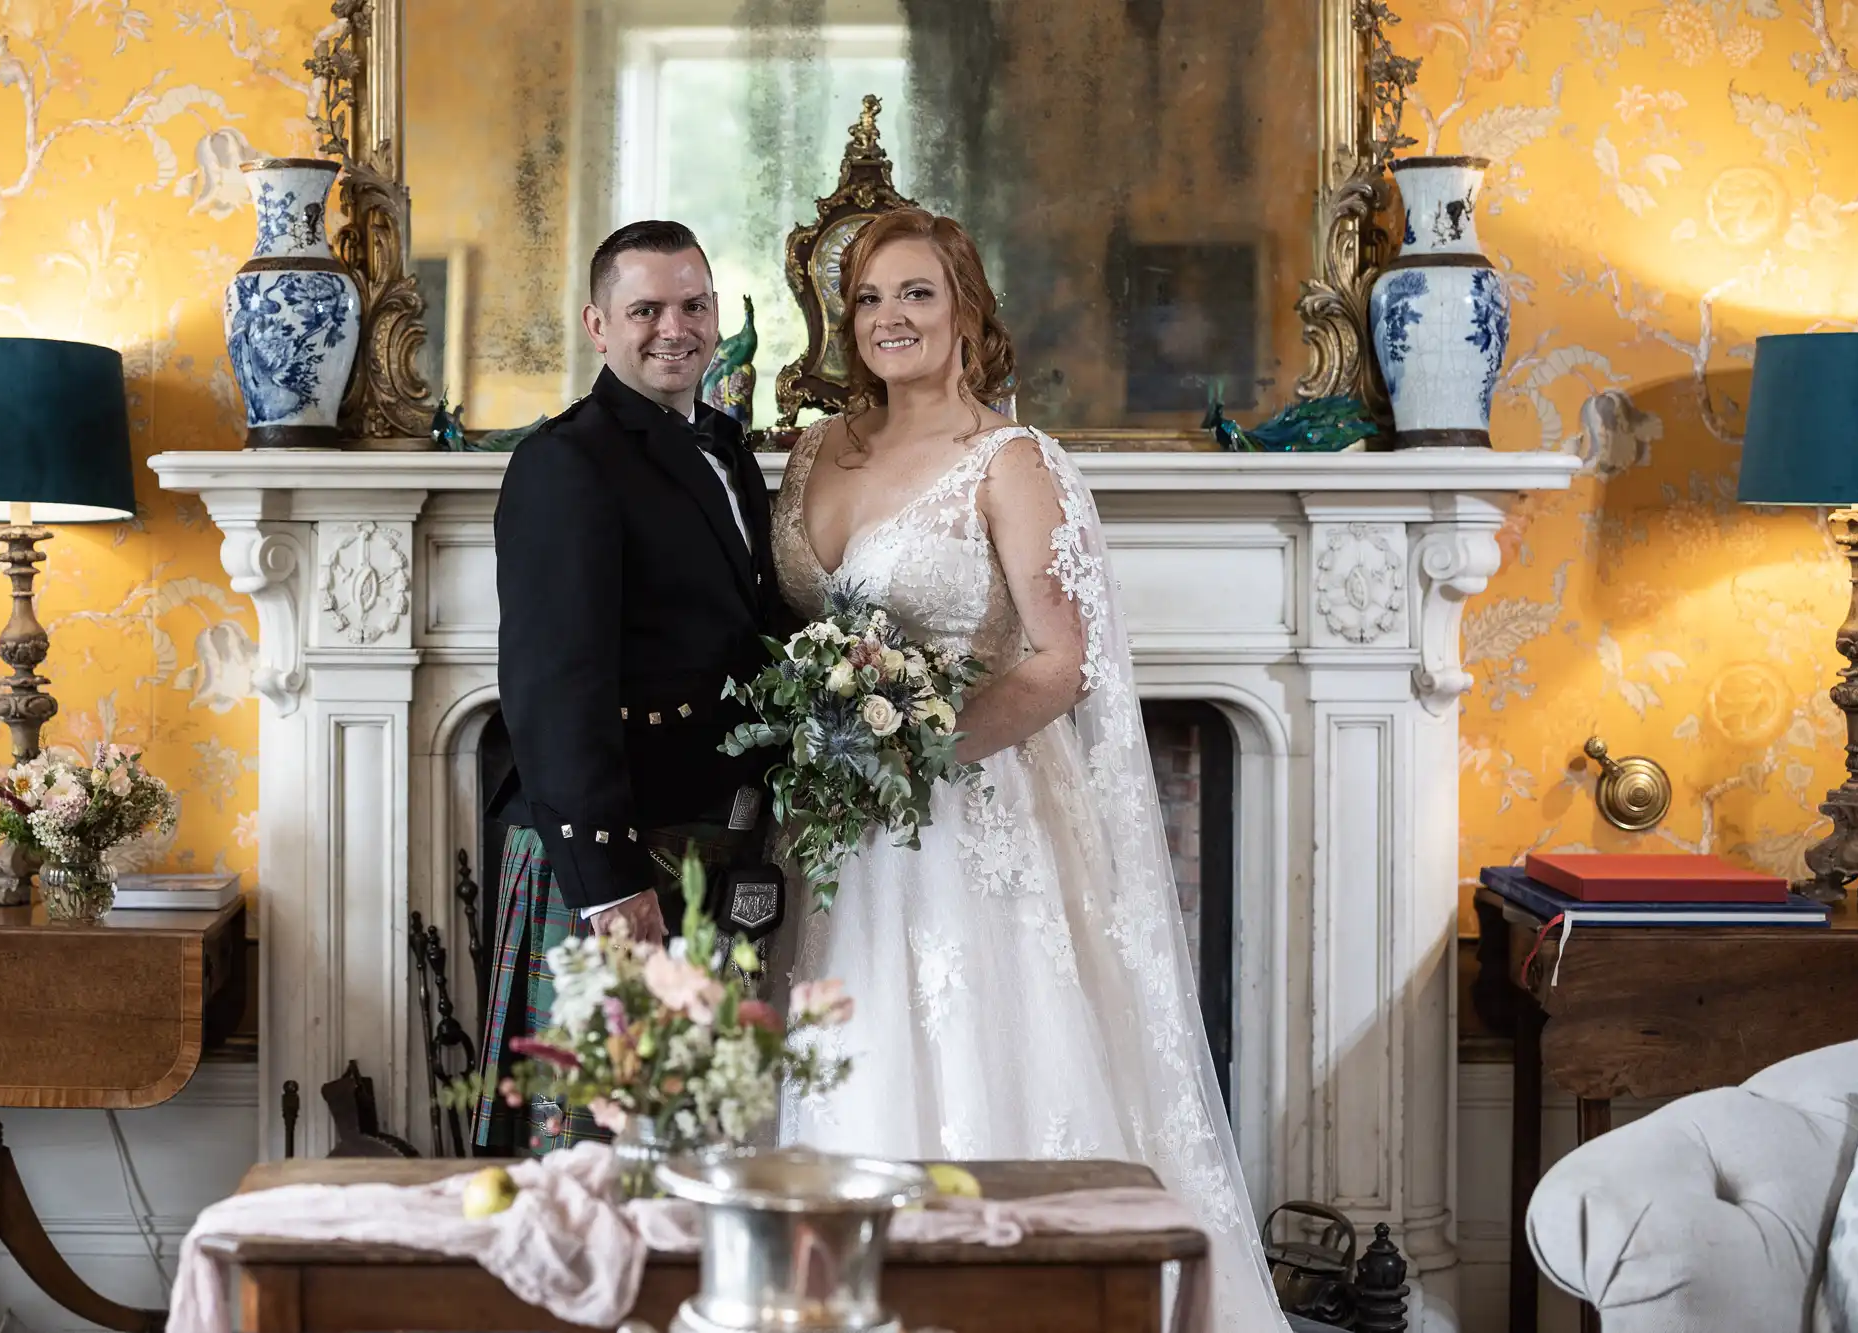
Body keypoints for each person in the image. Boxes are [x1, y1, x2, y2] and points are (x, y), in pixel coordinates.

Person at [771, 206, 1289, 1329]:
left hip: (966, 820)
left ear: (964, 308)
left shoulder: (1009, 460)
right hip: (829, 831)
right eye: (866, 298)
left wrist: (915, 750)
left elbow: (1061, 662)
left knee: (972, 1073)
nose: (888, 318)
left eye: (914, 293)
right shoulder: (817, 449)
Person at [474, 219, 785, 1155]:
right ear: (598, 326)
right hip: (611, 853)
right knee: (590, 1147)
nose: (673, 328)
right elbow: (551, 686)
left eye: (692, 306)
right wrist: (609, 887)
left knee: (681, 1133)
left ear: (717, 315)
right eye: (644, 309)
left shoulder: (725, 448)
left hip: (700, 832)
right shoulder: (566, 460)